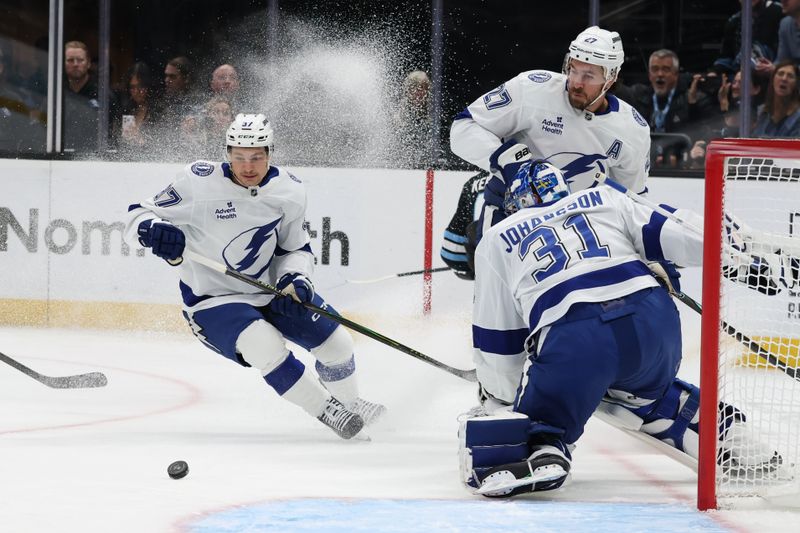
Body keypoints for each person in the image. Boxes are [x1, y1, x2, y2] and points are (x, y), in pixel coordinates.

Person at [458, 155, 782, 498]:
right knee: (642, 396)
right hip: (655, 321)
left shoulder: (497, 238)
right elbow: (673, 230)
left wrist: (505, 399)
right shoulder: (604, 197)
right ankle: (733, 435)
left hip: (575, 334)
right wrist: (737, 256)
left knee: (555, 403)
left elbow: (500, 340)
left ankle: (544, 446)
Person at [124, 113, 385, 439]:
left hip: (267, 291)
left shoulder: (289, 190)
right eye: (239, 157)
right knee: (264, 344)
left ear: (270, 153)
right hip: (212, 300)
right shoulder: (198, 181)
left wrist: (296, 281)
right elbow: (137, 215)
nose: (248, 166)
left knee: (338, 344)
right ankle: (326, 409)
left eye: (257, 157)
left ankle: (351, 403)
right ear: (227, 153)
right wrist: (152, 230)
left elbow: (296, 249)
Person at [450, 26, 651, 201]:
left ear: (611, 78)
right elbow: (463, 128)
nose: (577, 83)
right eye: (573, 70)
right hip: (511, 217)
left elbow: (632, 201)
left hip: (578, 229)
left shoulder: (633, 130)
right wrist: (509, 162)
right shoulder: (531, 88)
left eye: (589, 76)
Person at [753, 60, 800, 137]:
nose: (784, 79)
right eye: (780, 74)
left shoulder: (797, 118)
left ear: (796, 84)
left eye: (790, 76)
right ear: (772, 80)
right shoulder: (762, 112)